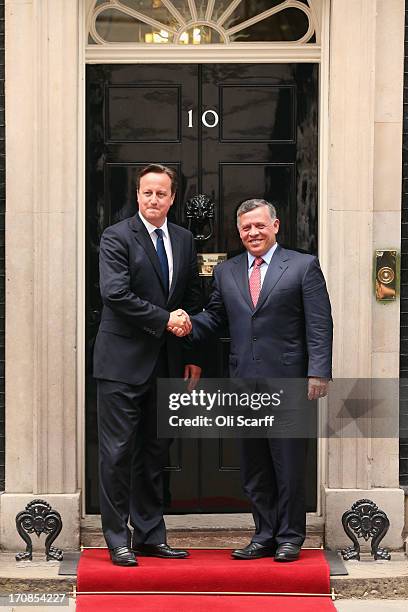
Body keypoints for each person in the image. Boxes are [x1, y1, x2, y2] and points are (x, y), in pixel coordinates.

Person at [172, 198, 332, 562]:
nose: (253, 232)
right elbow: (215, 318)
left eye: (259, 225)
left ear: (275, 226)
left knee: (288, 465)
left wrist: (318, 372)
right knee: (254, 466)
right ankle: (263, 534)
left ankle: (290, 536)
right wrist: (186, 325)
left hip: (288, 381)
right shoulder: (227, 272)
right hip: (244, 382)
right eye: (246, 227)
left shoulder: (303, 266)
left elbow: (319, 323)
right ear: (238, 231)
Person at [93, 164, 201, 566]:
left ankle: (151, 536)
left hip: (167, 364)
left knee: (155, 454)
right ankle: (118, 538)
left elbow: (192, 297)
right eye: (146, 193)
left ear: (173, 198)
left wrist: (191, 354)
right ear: (137, 196)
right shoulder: (116, 236)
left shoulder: (185, 239)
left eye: (161, 193)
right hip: (121, 365)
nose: (153, 200)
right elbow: (115, 294)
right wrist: (164, 320)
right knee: (118, 454)